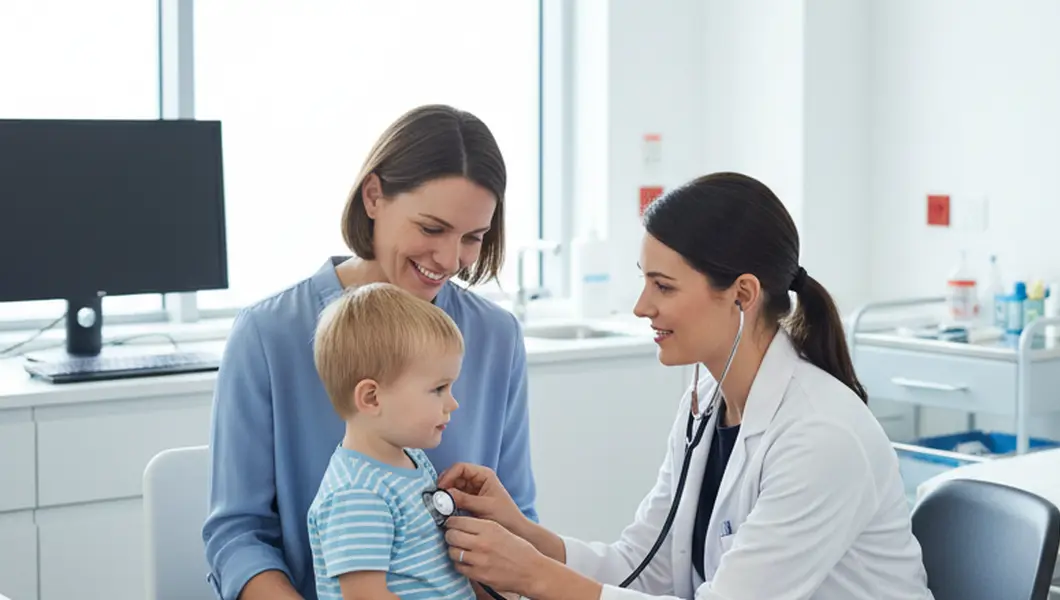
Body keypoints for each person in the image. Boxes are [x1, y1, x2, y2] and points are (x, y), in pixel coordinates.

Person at [434, 172, 935, 599]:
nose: (641, 306)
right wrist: (520, 533)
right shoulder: (705, 408)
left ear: (742, 295)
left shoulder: (822, 436)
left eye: (663, 286)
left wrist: (535, 576)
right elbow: (646, 566)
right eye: (644, 281)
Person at [202, 104, 538, 600]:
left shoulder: (495, 337)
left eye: (473, 238)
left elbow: (516, 523)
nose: (449, 260)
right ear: (374, 196)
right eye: (431, 228)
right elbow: (239, 536)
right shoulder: (269, 334)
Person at [305, 282, 479, 599]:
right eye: (438, 388)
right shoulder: (357, 494)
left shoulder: (408, 458)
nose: (452, 403)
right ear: (372, 398)